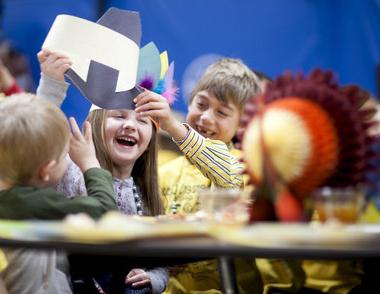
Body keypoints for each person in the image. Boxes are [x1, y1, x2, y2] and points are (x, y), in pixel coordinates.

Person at [36, 49, 168, 294]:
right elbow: (34, 139)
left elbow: (160, 261)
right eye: (118, 116)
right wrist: (51, 85)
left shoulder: (147, 192)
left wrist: (152, 278)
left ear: (150, 138)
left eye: (142, 121)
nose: (130, 125)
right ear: (96, 124)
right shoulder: (69, 170)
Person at [134, 58, 264, 293]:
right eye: (201, 105)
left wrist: (173, 126)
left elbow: (228, 174)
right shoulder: (164, 172)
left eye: (222, 112)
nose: (206, 117)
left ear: (242, 124)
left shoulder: (246, 168)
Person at [0, 93, 117, 293]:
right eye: (64, 155)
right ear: (46, 171)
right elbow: (105, 212)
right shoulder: (31, 202)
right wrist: (90, 163)